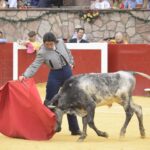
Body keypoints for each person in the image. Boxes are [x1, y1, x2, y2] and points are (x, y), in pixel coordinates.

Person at [19, 32, 81, 135]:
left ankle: (74, 129)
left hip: (67, 72)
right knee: (49, 101)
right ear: (43, 43)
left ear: (55, 41)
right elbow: (34, 65)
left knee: (70, 99)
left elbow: (68, 53)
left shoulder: (61, 42)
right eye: (47, 44)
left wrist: (71, 63)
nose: (49, 46)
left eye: (51, 44)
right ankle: (46, 126)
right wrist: (25, 75)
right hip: (55, 74)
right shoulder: (42, 52)